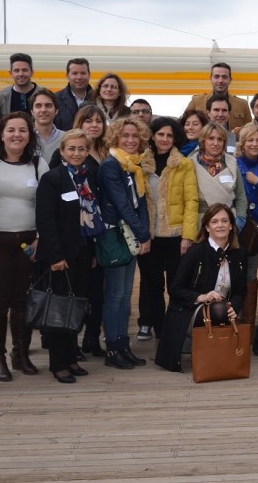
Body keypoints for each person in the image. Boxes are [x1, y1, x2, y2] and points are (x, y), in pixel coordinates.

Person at [0, 111, 50, 381]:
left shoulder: (37, 163)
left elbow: (47, 207)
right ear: (0, 134)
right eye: (11, 130)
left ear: (29, 135)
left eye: (23, 130)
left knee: (22, 300)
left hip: (27, 243)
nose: (17, 135)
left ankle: (20, 353)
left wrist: (40, 240)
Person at [35, 129, 102, 383]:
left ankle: (71, 358)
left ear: (87, 151)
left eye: (81, 149)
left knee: (76, 307)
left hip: (83, 253)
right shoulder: (53, 179)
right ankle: (58, 363)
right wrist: (54, 256)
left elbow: (93, 216)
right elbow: (46, 220)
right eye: (71, 149)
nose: (76, 153)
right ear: (62, 151)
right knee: (58, 310)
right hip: (59, 256)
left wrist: (93, 252)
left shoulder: (88, 177)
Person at [154, 204, 246, 372]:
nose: (220, 225)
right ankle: (210, 355)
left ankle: (216, 355)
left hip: (221, 308)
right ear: (207, 227)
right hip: (189, 310)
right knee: (219, 309)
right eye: (215, 221)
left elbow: (240, 291)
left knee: (222, 309)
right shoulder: (196, 252)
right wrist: (201, 297)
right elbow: (175, 288)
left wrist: (234, 307)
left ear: (231, 225)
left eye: (225, 221)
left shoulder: (239, 254)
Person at [135, 117, 198, 343]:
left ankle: (176, 331)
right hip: (149, 237)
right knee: (152, 287)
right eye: (160, 134)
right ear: (153, 136)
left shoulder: (184, 164)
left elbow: (191, 201)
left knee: (177, 287)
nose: (164, 139)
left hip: (176, 237)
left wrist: (188, 236)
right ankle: (161, 333)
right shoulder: (140, 163)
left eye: (169, 135)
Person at [98, 117, 152, 369]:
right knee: (115, 294)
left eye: (134, 136)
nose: (130, 140)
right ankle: (113, 349)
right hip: (117, 235)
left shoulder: (134, 166)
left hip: (132, 235)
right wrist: (143, 234)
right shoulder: (111, 165)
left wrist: (144, 232)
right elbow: (121, 205)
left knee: (126, 294)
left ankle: (123, 345)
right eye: (125, 136)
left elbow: (140, 203)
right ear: (115, 138)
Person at [234, 123, 258, 311]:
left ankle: (247, 317)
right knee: (232, 271)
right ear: (243, 143)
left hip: (256, 229)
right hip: (235, 226)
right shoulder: (233, 164)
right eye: (250, 140)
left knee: (250, 271)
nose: (254, 144)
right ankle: (231, 312)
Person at [190, 122, 247, 225]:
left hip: (228, 221)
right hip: (201, 222)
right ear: (203, 141)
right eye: (211, 138)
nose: (216, 143)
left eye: (220, 139)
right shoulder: (191, 163)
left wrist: (240, 220)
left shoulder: (232, 162)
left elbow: (240, 195)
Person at [185, 62, 252, 132]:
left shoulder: (242, 104)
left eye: (224, 77)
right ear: (211, 79)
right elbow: (184, 124)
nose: (220, 81)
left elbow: (249, 130)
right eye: (216, 77)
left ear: (230, 80)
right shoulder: (196, 101)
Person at [0, 53, 46, 125]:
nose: (21, 74)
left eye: (25, 70)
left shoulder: (45, 95)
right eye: (16, 70)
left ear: (32, 72)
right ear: (11, 73)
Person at [53, 57, 94, 131]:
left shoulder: (99, 99)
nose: (79, 77)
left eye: (83, 73)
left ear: (89, 75)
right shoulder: (55, 99)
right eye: (75, 73)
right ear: (67, 76)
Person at [31, 88, 63, 159]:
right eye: (38, 106)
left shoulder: (66, 138)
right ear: (32, 112)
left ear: (56, 111)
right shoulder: (24, 137)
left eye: (48, 105)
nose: (43, 110)